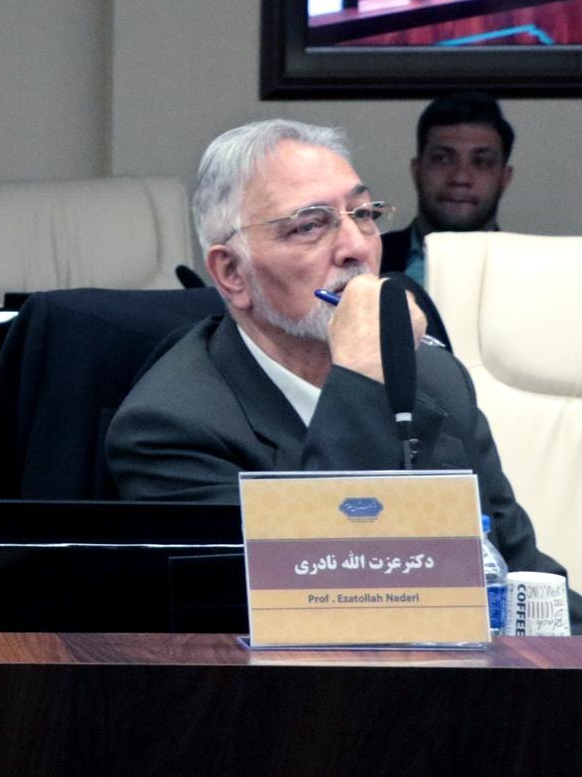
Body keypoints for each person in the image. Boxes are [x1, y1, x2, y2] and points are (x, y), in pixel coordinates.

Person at [106, 119, 576, 618]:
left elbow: (527, 580)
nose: (358, 247)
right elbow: (318, 601)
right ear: (232, 273)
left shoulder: (435, 375)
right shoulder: (170, 427)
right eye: (310, 225)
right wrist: (362, 378)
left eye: (364, 214)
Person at [380, 92, 514, 284]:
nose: (460, 178)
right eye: (442, 159)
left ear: (504, 178)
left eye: (481, 162)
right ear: (417, 170)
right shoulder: (365, 260)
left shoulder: (533, 270)